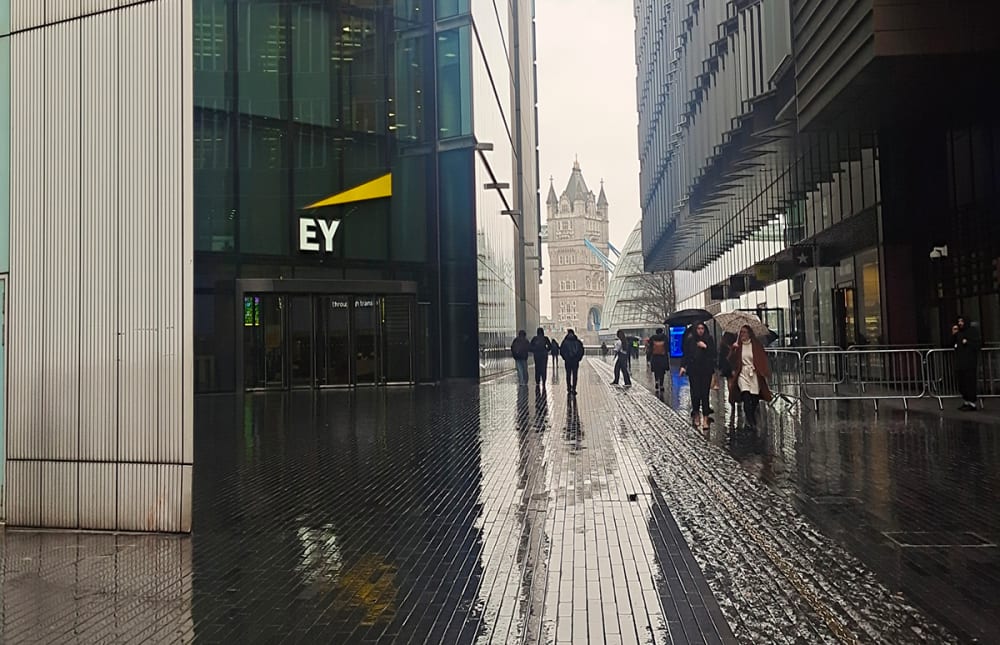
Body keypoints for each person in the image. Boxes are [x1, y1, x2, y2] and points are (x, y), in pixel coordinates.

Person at [727, 325, 772, 431]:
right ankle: (751, 421)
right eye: (741, 332)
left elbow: (762, 358)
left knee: (754, 398)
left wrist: (762, 370)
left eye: (744, 332)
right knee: (746, 396)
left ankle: (751, 416)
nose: (742, 334)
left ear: (749, 333)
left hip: (754, 374)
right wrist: (733, 349)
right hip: (742, 374)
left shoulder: (756, 345)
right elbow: (730, 360)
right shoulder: (738, 346)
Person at [679, 323, 716, 429]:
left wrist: (705, 347)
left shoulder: (709, 339)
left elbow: (713, 354)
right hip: (694, 370)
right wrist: (683, 366)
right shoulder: (690, 340)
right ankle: (696, 414)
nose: (700, 331)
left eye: (702, 328)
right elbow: (686, 354)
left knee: (705, 394)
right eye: (698, 329)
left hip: (706, 370)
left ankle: (705, 418)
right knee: (695, 394)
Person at [953, 316, 982, 410]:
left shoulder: (972, 331)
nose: (960, 323)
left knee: (970, 382)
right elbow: (952, 343)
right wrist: (954, 334)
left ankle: (972, 403)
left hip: (970, 362)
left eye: (962, 321)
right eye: (959, 321)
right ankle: (966, 401)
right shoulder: (959, 333)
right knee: (962, 383)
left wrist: (968, 342)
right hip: (960, 362)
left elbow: (977, 345)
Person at [717, 332, 738, 426]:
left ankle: (732, 397)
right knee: (731, 381)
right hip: (730, 365)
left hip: (726, 365)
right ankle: (732, 397)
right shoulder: (731, 341)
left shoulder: (723, 341)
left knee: (730, 381)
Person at [560, 329, 585, 394]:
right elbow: (581, 350)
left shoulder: (564, 342)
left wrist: (565, 358)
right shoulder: (578, 342)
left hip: (568, 361)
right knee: (575, 375)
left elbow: (561, 351)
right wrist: (578, 358)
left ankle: (568, 388)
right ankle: (574, 388)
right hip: (575, 361)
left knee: (568, 375)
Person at [647, 328, 669, 393]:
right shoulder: (665, 338)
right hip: (662, 357)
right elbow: (667, 348)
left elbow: (650, 348)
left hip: (655, 357)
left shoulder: (653, 338)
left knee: (656, 370)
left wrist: (648, 358)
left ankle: (656, 381)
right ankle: (661, 385)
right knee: (662, 371)